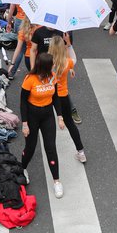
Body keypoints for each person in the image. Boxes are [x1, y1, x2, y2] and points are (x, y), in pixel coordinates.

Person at [20, 52, 64, 198]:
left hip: (47, 116)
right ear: (44, 66)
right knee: (30, 147)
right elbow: (23, 103)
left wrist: (60, 116)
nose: (53, 66)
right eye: (51, 64)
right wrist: (25, 124)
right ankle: (23, 168)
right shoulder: (29, 79)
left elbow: (56, 97)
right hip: (32, 116)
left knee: (50, 147)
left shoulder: (52, 76)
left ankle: (57, 181)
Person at [48, 35, 86, 163]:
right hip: (63, 96)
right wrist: (69, 43)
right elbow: (74, 58)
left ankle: (51, 155)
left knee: (49, 125)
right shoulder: (67, 62)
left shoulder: (47, 62)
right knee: (70, 123)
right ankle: (81, 152)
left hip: (48, 95)